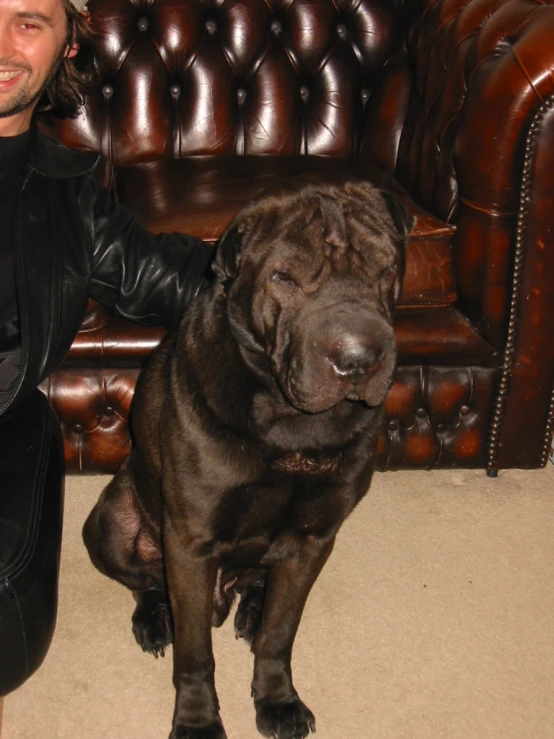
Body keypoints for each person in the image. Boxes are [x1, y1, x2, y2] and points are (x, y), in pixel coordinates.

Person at [0, 0, 213, 698]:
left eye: (28, 21)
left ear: (66, 46)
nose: (1, 44)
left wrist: (289, 266)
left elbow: (166, 275)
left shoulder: (70, 194)